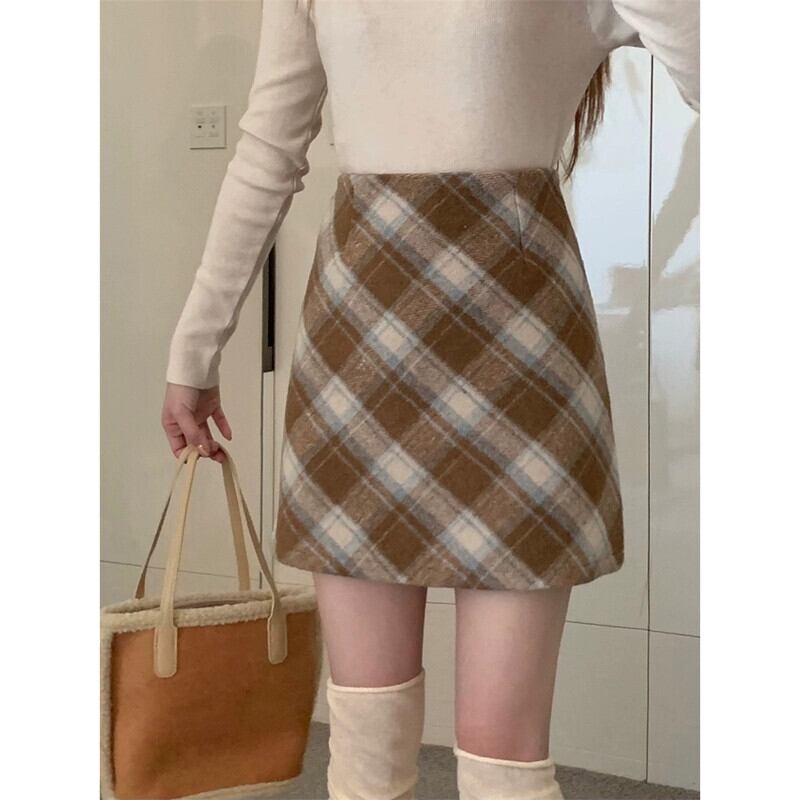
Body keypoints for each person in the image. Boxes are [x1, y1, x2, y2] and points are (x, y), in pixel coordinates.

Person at [161, 1, 699, 798]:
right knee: (366, 746)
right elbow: (268, 150)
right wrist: (194, 348)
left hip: (523, 366)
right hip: (358, 357)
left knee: (504, 765)